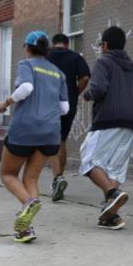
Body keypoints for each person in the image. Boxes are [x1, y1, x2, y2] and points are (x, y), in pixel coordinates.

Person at [0, 31, 68, 243]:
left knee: (8, 174)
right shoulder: (58, 73)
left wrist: (5, 103)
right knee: (31, 178)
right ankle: (25, 229)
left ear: (27, 48)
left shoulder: (26, 65)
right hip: (50, 133)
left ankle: (28, 203)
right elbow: (65, 108)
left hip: (25, 130)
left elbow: (26, 88)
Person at [79, 26, 133, 230]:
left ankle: (112, 193)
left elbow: (98, 89)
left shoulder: (103, 62)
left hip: (107, 120)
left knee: (88, 161)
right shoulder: (132, 67)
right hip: (129, 123)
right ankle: (110, 215)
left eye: (101, 44)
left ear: (106, 45)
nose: (100, 48)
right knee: (114, 169)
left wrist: (88, 95)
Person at [46, 33, 91, 202]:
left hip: (47, 103)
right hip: (68, 104)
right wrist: (74, 92)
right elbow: (85, 77)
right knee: (61, 141)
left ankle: (57, 178)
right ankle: (59, 178)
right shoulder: (75, 57)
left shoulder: (46, 55)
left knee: (51, 141)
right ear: (67, 44)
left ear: (53, 43)